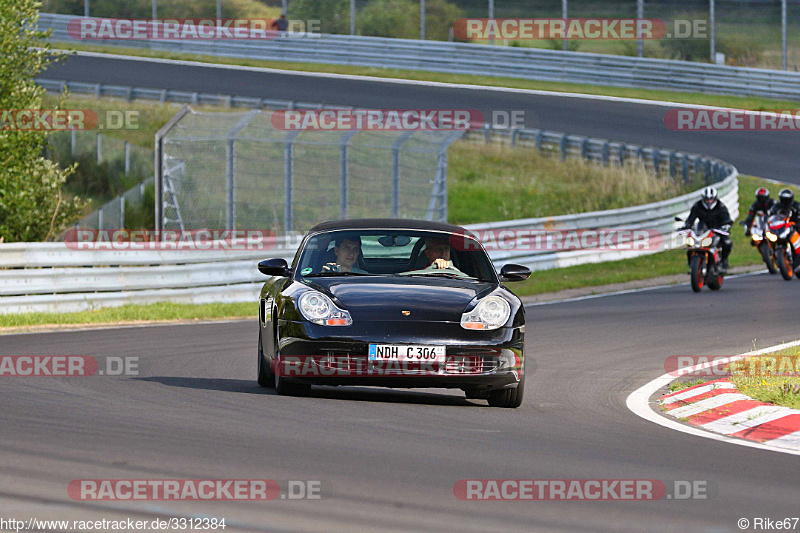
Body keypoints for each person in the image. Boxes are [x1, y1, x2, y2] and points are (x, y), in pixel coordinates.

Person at [682, 186, 733, 272]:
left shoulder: (721, 206)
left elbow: (726, 218)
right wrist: (687, 225)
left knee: (727, 242)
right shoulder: (697, 206)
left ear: (715, 198)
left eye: (711, 199)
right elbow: (691, 218)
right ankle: (691, 263)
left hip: (717, 229)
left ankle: (723, 261)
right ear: (703, 198)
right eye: (707, 199)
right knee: (690, 243)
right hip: (702, 230)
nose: (709, 201)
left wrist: (726, 225)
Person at [768, 188, 800, 271]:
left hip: (795, 225)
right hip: (782, 227)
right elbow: (770, 217)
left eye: (787, 199)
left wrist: (797, 223)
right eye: (784, 199)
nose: (786, 202)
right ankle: (773, 256)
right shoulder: (776, 207)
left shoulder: (797, 206)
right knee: (769, 236)